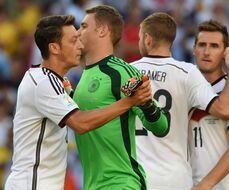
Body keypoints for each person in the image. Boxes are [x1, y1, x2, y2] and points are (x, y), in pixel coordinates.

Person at [4, 15, 153, 190]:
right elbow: (80, 123)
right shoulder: (44, 83)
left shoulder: (53, 80)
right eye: (73, 41)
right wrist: (129, 102)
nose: (80, 46)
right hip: (33, 184)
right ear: (54, 48)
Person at [131, 12, 229, 190]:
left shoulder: (127, 72)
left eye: (139, 37)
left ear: (148, 39)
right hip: (175, 179)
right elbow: (225, 110)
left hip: (136, 177)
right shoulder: (187, 73)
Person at [74, 5, 169, 190]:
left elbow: (161, 126)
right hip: (94, 184)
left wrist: (146, 102)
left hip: (121, 182)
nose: (78, 33)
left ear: (102, 31)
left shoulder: (121, 72)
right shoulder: (85, 75)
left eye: (84, 26)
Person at [188, 20, 229, 190]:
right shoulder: (184, 87)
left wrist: (204, 185)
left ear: (225, 53)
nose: (206, 52)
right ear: (194, 49)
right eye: (202, 45)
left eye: (214, 46)